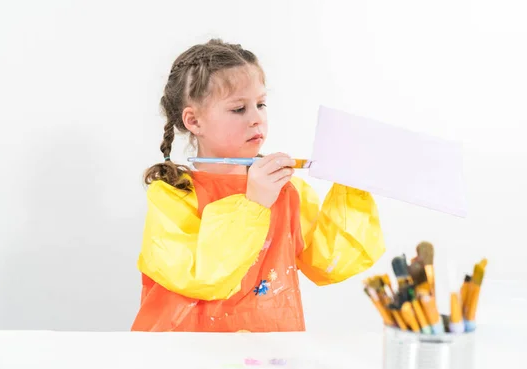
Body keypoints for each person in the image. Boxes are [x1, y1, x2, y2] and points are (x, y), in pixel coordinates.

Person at [130, 38, 385, 332]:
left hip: (268, 356)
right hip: (185, 352)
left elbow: (330, 262)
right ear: (194, 121)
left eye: (261, 104)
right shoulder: (172, 194)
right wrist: (253, 204)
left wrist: (351, 186)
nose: (257, 119)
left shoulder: (286, 190)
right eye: (239, 109)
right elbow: (199, 275)